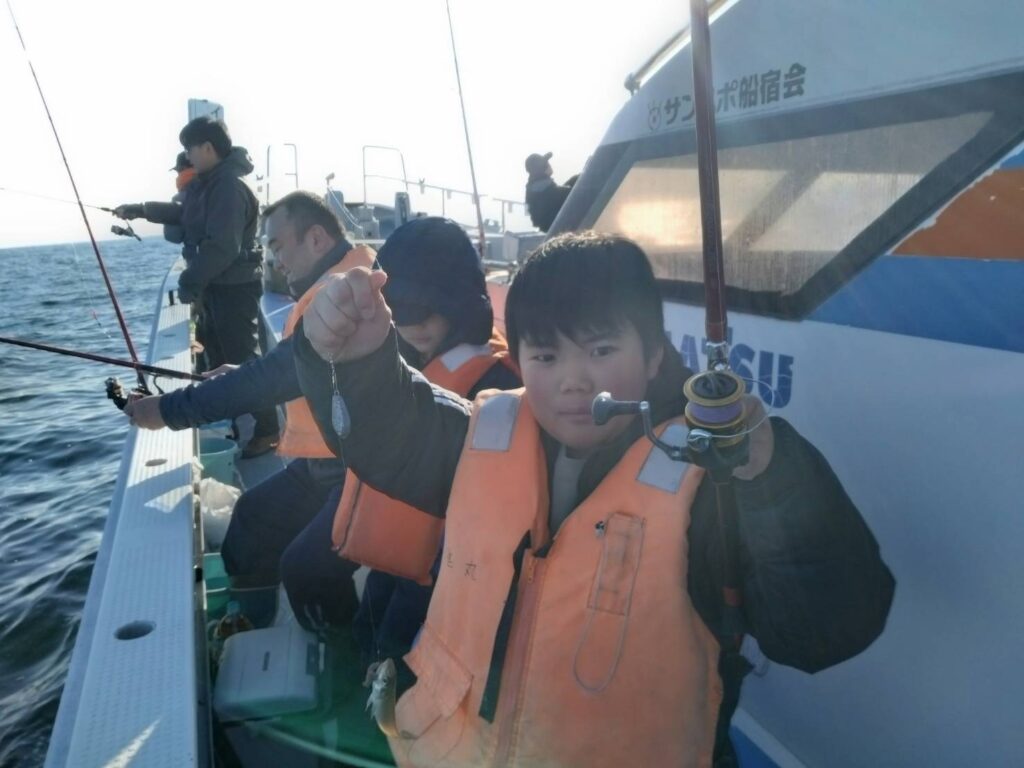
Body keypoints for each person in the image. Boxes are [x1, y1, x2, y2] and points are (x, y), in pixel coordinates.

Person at [294, 231, 895, 767]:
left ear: (653, 355)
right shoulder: (481, 433)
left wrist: (772, 478)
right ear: (519, 359)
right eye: (546, 356)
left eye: (601, 350)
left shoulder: (707, 481)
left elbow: (823, 632)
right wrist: (354, 359)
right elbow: (388, 432)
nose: (573, 380)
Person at [125, 190, 375, 624]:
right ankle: (249, 620)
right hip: (328, 462)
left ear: (316, 239)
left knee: (305, 570)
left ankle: (347, 652)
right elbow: (301, 370)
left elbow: (273, 378)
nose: (274, 260)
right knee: (251, 521)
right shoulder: (332, 284)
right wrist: (241, 371)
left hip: (364, 473)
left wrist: (164, 411)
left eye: (278, 246)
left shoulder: (343, 294)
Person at [278, 216, 520, 649]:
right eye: (401, 312)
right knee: (346, 609)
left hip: (445, 559)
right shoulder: (396, 356)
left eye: (428, 310)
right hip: (395, 537)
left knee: (391, 645)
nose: (414, 325)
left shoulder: (497, 383)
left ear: (461, 303)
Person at [115, 116, 278, 456]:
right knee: (219, 357)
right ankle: (236, 420)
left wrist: (190, 281)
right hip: (217, 285)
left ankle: (269, 431)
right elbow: (182, 214)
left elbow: (223, 246)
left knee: (241, 358)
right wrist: (141, 210)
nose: (187, 156)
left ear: (207, 148)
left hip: (234, 289)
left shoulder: (228, 187)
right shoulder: (209, 183)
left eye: (189, 148)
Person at [524, 151, 576, 232]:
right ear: (542, 168)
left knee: (574, 179)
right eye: (546, 163)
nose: (549, 165)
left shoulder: (533, 188)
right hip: (554, 229)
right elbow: (565, 194)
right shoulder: (544, 189)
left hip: (546, 227)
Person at [162, 152, 196, 245]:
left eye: (178, 171)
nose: (178, 176)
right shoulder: (216, 186)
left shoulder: (179, 199)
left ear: (183, 169)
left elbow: (173, 236)